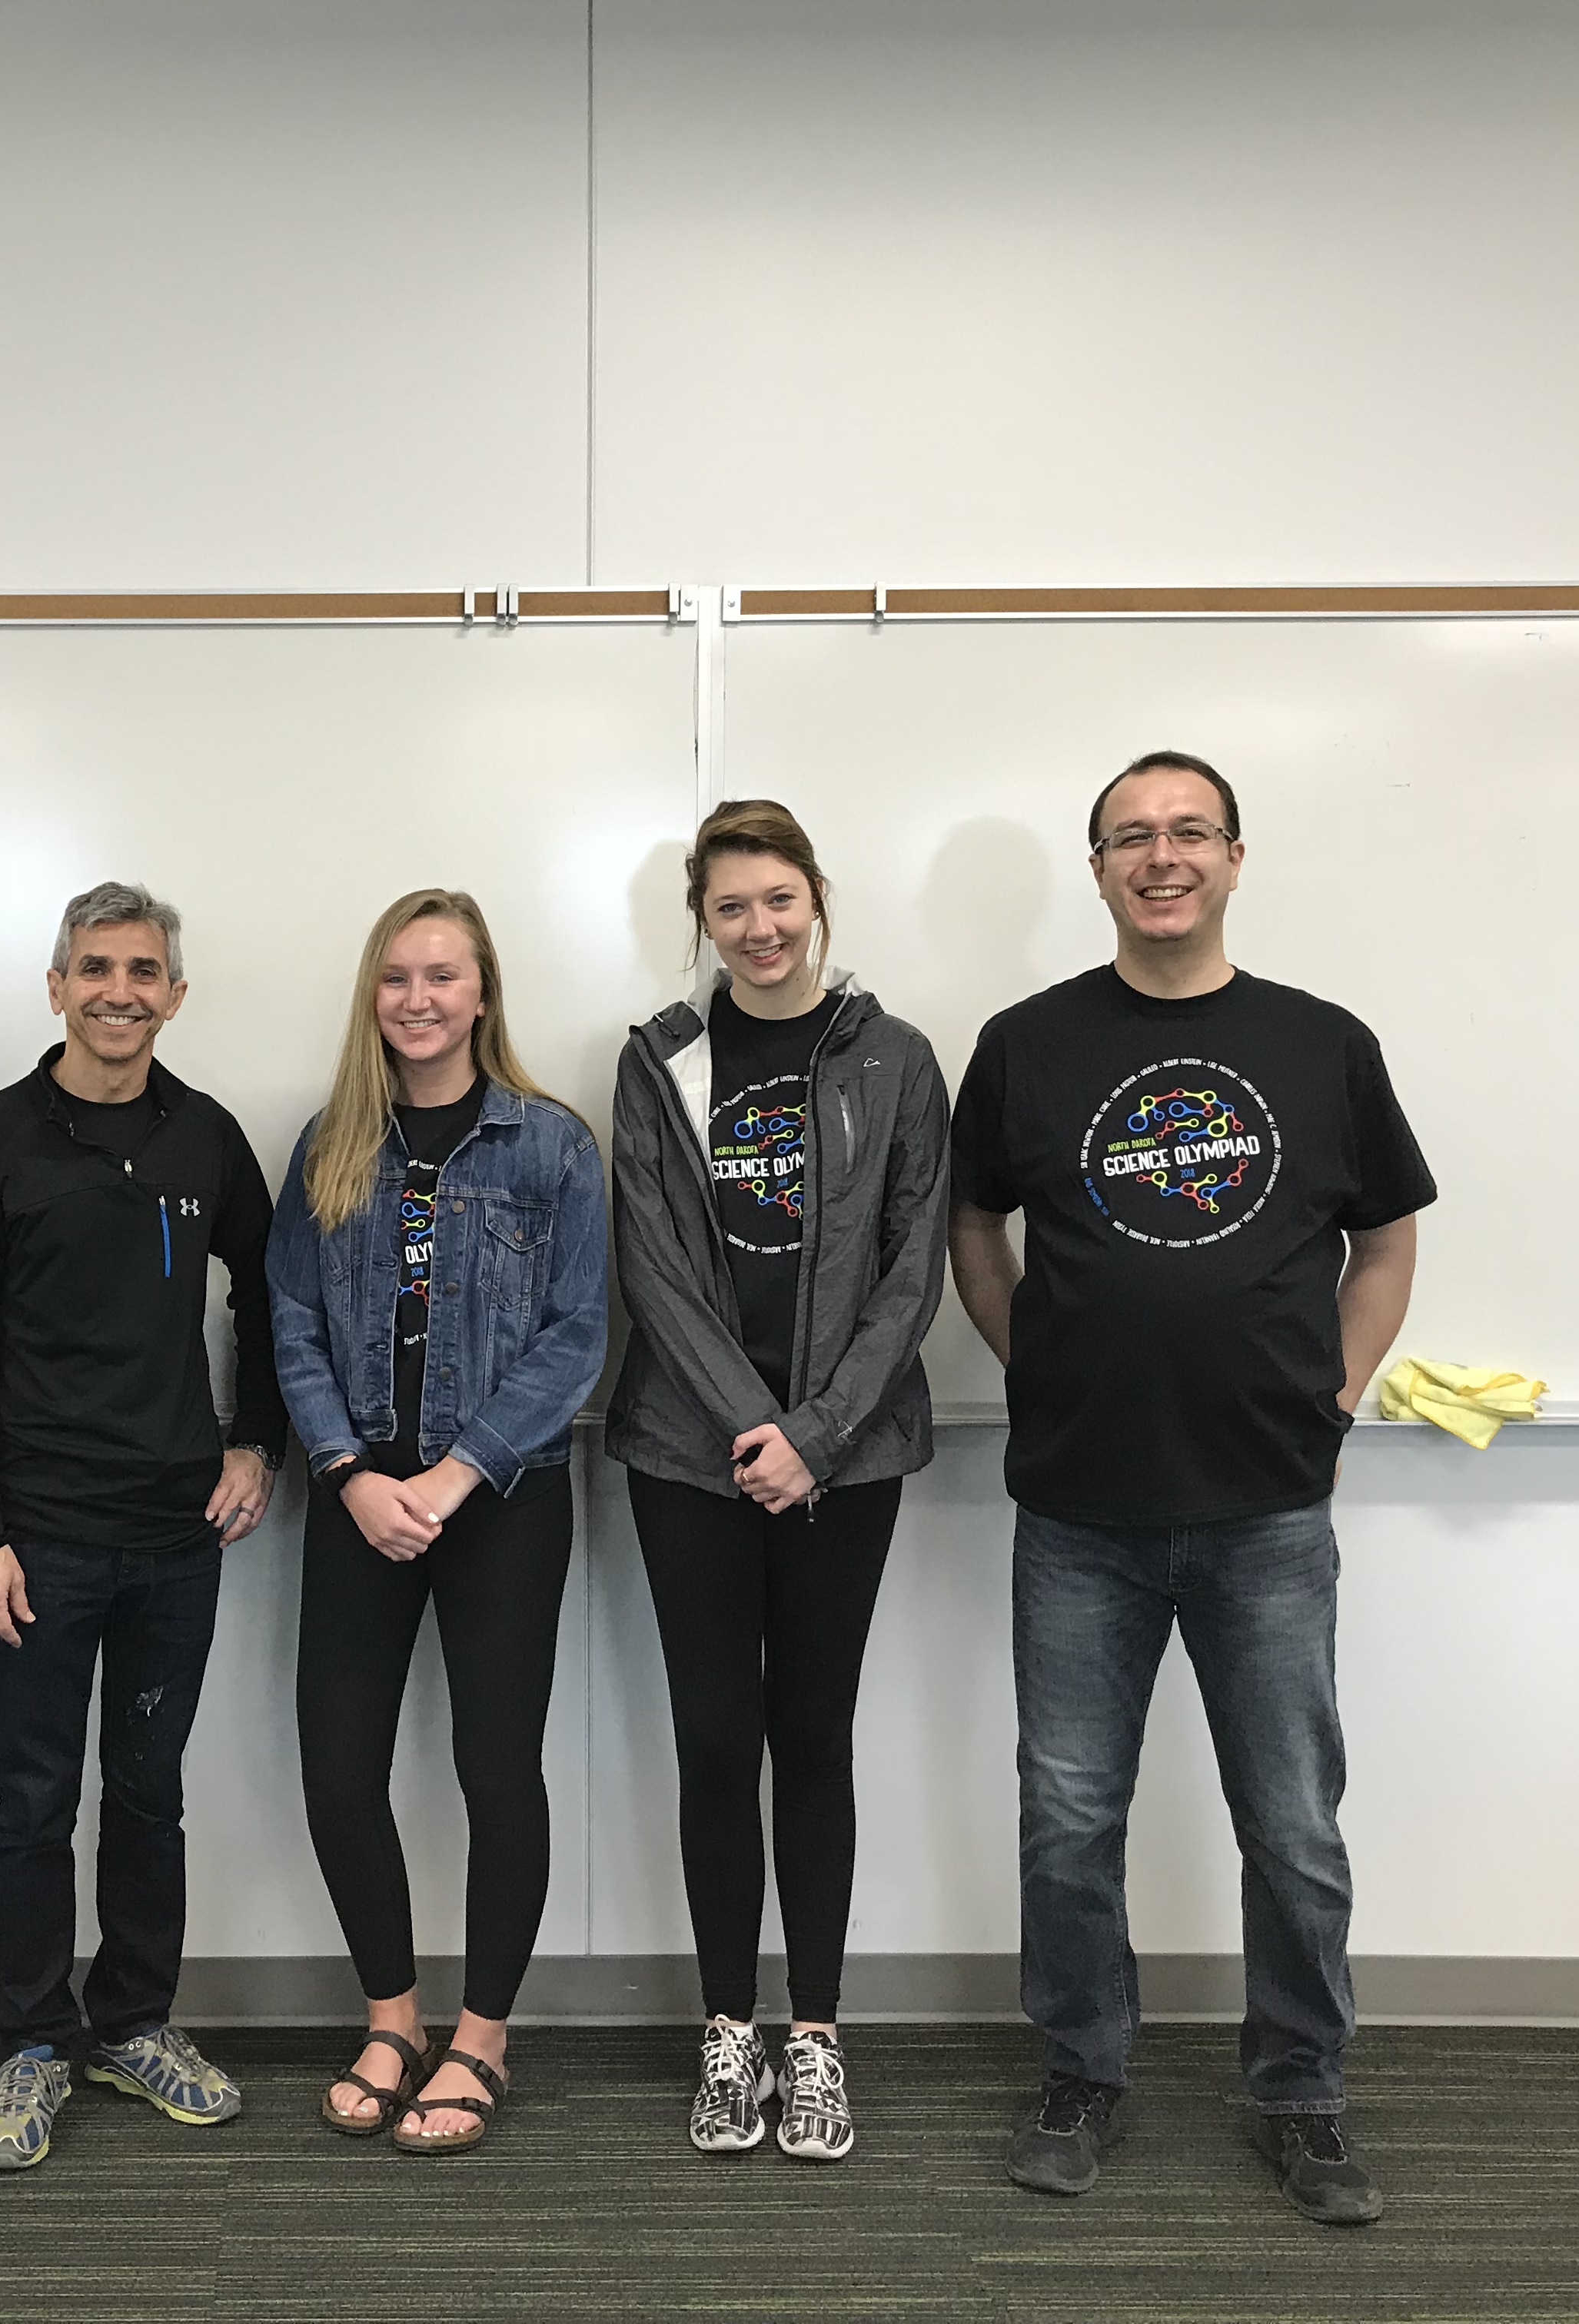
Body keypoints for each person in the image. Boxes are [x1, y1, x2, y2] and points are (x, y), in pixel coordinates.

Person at [950, 750, 1428, 2227]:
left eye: (1190, 832)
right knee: (1068, 1819)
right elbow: (974, 1227)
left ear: (1233, 857)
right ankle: (1080, 2070)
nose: (1162, 858)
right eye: (1131, 838)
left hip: (1266, 1508)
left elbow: (1386, 1240)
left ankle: (1303, 2094)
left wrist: (1337, 1394)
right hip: (1078, 1509)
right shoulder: (1025, 1044)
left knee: (1293, 1825)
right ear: (1097, 868)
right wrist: (1043, 1368)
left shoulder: (1323, 1044)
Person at [606, 802, 951, 2161]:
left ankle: (814, 2036)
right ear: (702, 919)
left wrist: (819, 1432)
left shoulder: (895, 1058)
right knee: (714, 1743)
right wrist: (757, 1427)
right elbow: (652, 1265)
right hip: (686, 1458)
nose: (759, 929)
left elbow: (915, 1266)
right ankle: (726, 2031)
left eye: (779, 900)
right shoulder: (658, 1060)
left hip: (846, 1462)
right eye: (731, 907)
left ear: (817, 899)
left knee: (814, 1738)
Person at [0, 881, 288, 2172]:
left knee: (147, 1793)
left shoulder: (207, 1139)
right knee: (34, 1800)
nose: (117, 993)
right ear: (56, 986)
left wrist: (256, 1439)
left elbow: (272, 1292)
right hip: (37, 1543)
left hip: (176, 1537)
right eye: (94, 969)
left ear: (174, 995)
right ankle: (33, 2040)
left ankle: (133, 2022)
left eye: (142, 972)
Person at [268, 890, 607, 2156]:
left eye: (444, 976)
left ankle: (483, 2038)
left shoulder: (551, 1147)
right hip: (359, 1496)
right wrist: (350, 1471)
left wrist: (457, 1475)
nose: (419, 999)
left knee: (495, 1768)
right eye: (398, 977)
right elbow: (291, 1320)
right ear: (375, 995)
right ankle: (392, 2019)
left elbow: (578, 1332)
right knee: (339, 1764)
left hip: (501, 1500)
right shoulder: (330, 1144)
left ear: (482, 994)